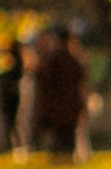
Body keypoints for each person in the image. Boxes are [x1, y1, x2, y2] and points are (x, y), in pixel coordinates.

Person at [28, 19, 94, 157]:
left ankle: (60, 160)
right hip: (72, 107)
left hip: (57, 108)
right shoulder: (76, 60)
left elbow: (45, 83)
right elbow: (83, 83)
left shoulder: (53, 60)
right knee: (67, 138)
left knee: (60, 140)